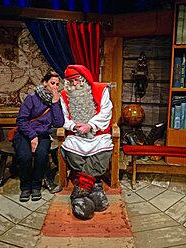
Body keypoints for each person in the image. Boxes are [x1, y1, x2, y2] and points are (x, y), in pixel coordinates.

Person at [60, 64, 113, 220]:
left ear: (83, 79)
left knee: (103, 149)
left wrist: (91, 125)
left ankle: (80, 190)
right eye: (71, 82)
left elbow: (106, 112)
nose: (75, 85)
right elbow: (63, 117)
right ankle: (94, 185)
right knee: (71, 150)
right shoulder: (64, 95)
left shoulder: (100, 89)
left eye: (77, 80)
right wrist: (73, 126)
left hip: (97, 133)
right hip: (76, 135)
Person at [14, 71, 65, 202]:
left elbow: (58, 123)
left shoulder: (56, 100)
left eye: (57, 84)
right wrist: (32, 136)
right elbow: (21, 120)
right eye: (52, 83)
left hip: (43, 135)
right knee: (24, 156)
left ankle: (36, 186)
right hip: (26, 133)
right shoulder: (32, 98)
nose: (54, 87)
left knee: (41, 156)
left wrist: (55, 103)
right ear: (45, 83)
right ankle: (25, 187)